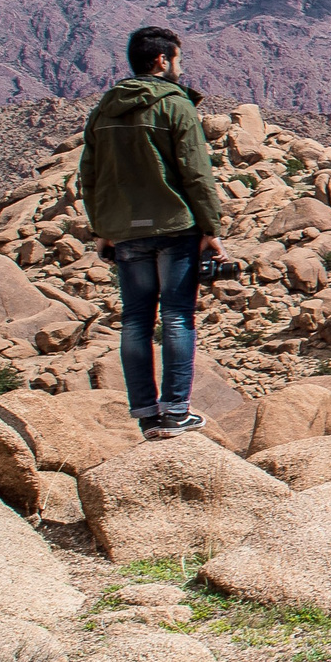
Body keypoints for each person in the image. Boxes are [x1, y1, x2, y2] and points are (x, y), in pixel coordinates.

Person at [78, 26, 224, 439]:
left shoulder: (104, 111)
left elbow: (89, 174)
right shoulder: (176, 106)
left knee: (136, 321)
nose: (180, 66)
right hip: (175, 227)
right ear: (162, 60)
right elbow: (196, 173)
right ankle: (176, 412)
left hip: (124, 231)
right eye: (178, 58)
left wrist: (101, 228)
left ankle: (146, 413)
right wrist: (210, 228)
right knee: (177, 316)